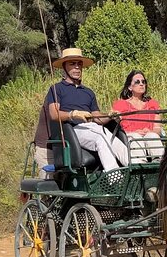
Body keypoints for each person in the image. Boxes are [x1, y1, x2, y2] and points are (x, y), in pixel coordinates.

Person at [34, 47, 128, 176]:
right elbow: (54, 114)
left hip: (92, 128)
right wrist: (73, 114)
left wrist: (110, 116)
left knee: (110, 137)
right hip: (72, 130)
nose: (77, 67)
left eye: (79, 64)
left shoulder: (88, 92)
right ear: (64, 67)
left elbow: (97, 118)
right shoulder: (56, 89)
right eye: (72, 64)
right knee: (100, 138)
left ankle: (135, 169)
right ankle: (115, 178)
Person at [111, 70, 164, 162]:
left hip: (149, 136)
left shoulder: (153, 104)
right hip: (131, 137)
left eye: (143, 82)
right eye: (137, 82)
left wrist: (150, 131)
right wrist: (132, 131)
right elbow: (114, 126)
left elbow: (158, 128)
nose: (141, 84)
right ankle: (140, 167)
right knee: (135, 137)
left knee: (152, 135)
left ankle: (159, 163)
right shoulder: (120, 105)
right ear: (130, 87)